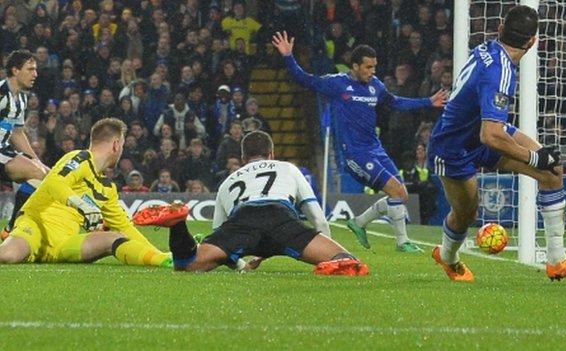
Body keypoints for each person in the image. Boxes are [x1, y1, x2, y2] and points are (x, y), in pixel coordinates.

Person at [427, 6, 566, 282]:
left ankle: (557, 261)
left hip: (482, 130)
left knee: (552, 171)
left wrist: (539, 156)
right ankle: (447, 257)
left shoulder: (490, 49)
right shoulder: (501, 73)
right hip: (454, 147)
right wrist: (532, 157)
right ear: (532, 42)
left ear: (500, 30)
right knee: (466, 214)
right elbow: (491, 136)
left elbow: (492, 129)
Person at [272, 31, 448, 253]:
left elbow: (395, 102)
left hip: (376, 149)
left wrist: (428, 101)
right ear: (354, 66)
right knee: (395, 191)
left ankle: (359, 223)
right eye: (368, 67)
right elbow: (304, 79)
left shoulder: (376, 86)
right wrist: (288, 56)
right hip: (356, 154)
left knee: (401, 194)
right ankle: (403, 242)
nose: (372, 72)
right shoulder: (336, 84)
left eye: (374, 67)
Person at [133, 131, 368, 276]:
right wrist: (322, 247)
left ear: (244, 158)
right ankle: (335, 263)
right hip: (281, 220)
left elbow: (221, 239)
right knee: (347, 261)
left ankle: (178, 224)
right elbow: (316, 216)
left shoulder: (228, 181)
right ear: (271, 154)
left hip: (241, 221)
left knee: (187, 265)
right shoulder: (287, 168)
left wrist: (241, 266)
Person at [0, 118, 171, 267]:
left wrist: (158, 253)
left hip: (64, 244)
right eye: (122, 145)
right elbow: (55, 182)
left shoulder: (107, 188)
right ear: (116, 144)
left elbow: (125, 227)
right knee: (7, 256)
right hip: (36, 227)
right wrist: (82, 205)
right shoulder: (79, 158)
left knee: (115, 237)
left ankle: (162, 261)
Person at [0, 50, 50, 240]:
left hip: (4, 151)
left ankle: (12, 229)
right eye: (30, 69)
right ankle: (12, 228)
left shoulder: (21, 99)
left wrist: (36, 160)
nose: (35, 74)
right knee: (37, 173)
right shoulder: (1, 93)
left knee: (42, 173)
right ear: (15, 70)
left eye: (35, 70)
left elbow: (17, 133)